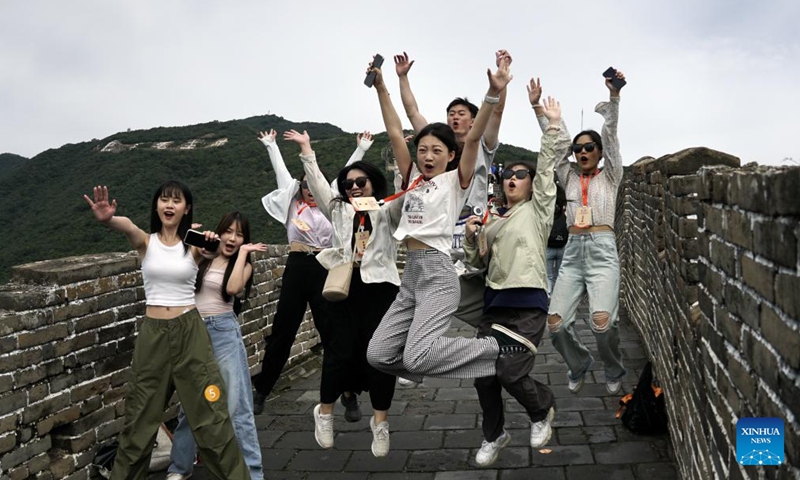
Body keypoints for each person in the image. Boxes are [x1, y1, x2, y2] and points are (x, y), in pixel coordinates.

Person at [365, 54, 534, 385]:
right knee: (379, 355)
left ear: (451, 155)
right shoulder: (412, 178)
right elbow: (396, 131)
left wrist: (493, 93)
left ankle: (497, 349)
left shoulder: (456, 181)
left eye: (437, 151)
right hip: (411, 274)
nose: (428, 156)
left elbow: (474, 139)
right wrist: (382, 86)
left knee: (416, 356)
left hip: (439, 274)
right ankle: (423, 364)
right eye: (423, 150)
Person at [83, 182, 250, 480]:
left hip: (190, 332)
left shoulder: (193, 247)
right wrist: (108, 218)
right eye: (164, 200)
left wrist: (210, 243)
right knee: (140, 418)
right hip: (154, 334)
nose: (169, 205)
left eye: (176, 200)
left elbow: (211, 251)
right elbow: (126, 225)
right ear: (157, 206)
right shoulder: (146, 242)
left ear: (187, 208)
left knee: (211, 416)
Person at [463, 91, 569, 466]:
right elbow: (476, 262)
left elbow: (547, 170)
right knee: (483, 375)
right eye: (508, 174)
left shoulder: (537, 211)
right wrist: (473, 236)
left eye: (520, 175)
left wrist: (551, 125)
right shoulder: (493, 219)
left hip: (527, 306)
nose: (513, 179)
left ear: (531, 184)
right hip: (494, 305)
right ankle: (494, 435)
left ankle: (541, 409)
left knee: (510, 371)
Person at [285, 129, 401, 457]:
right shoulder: (338, 209)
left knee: (380, 356)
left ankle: (380, 422)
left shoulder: (388, 210)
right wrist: (307, 150)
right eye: (348, 184)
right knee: (339, 352)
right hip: (344, 287)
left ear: (373, 184)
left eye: (360, 182)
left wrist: (400, 158)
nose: (354, 187)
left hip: (380, 288)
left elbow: (407, 188)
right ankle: (324, 412)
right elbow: (319, 184)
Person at [252, 129, 374, 419]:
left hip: (324, 266)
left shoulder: (331, 204)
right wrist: (271, 146)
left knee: (333, 332)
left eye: (312, 184)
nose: (309, 188)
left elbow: (339, 177)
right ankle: (262, 390)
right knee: (283, 331)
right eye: (304, 185)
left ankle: (348, 393)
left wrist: (361, 149)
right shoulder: (292, 204)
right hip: (297, 267)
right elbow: (282, 174)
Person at [392, 50, 511, 329]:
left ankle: (495, 331)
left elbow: (496, 112)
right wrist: (403, 78)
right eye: (451, 114)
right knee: (440, 289)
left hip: (473, 223)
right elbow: (412, 112)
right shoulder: (439, 146)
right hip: (443, 225)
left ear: (474, 120)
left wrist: (500, 84)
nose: (454, 118)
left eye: (461, 114)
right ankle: (431, 337)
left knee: (482, 283)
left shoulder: (482, 145)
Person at [167, 212, 267, 480]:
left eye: (239, 235)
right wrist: (185, 236)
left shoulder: (243, 265)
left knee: (237, 405)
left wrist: (243, 254)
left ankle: (253, 473)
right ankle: (179, 468)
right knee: (190, 405)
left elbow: (233, 288)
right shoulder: (202, 257)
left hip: (223, 332)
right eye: (228, 232)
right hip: (193, 332)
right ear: (219, 233)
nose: (232, 238)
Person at [547, 69, 628, 395]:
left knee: (602, 323)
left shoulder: (611, 176)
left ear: (600, 151)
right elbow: (557, 151)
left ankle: (613, 367)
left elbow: (612, 137)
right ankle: (579, 363)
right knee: (556, 325)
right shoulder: (568, 177)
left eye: (589, 147)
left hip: (602, 251)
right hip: (573, 252)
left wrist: (614, 98)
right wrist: (551, 119)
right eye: (578, 148)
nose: (582, 152)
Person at [546, 184, 568, 295]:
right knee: (559, 274)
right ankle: (558, 294)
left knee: (548, 275)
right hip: (561, 248)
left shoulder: (548, 216)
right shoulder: (564, 217)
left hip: (549, 248)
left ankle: (549, 293)